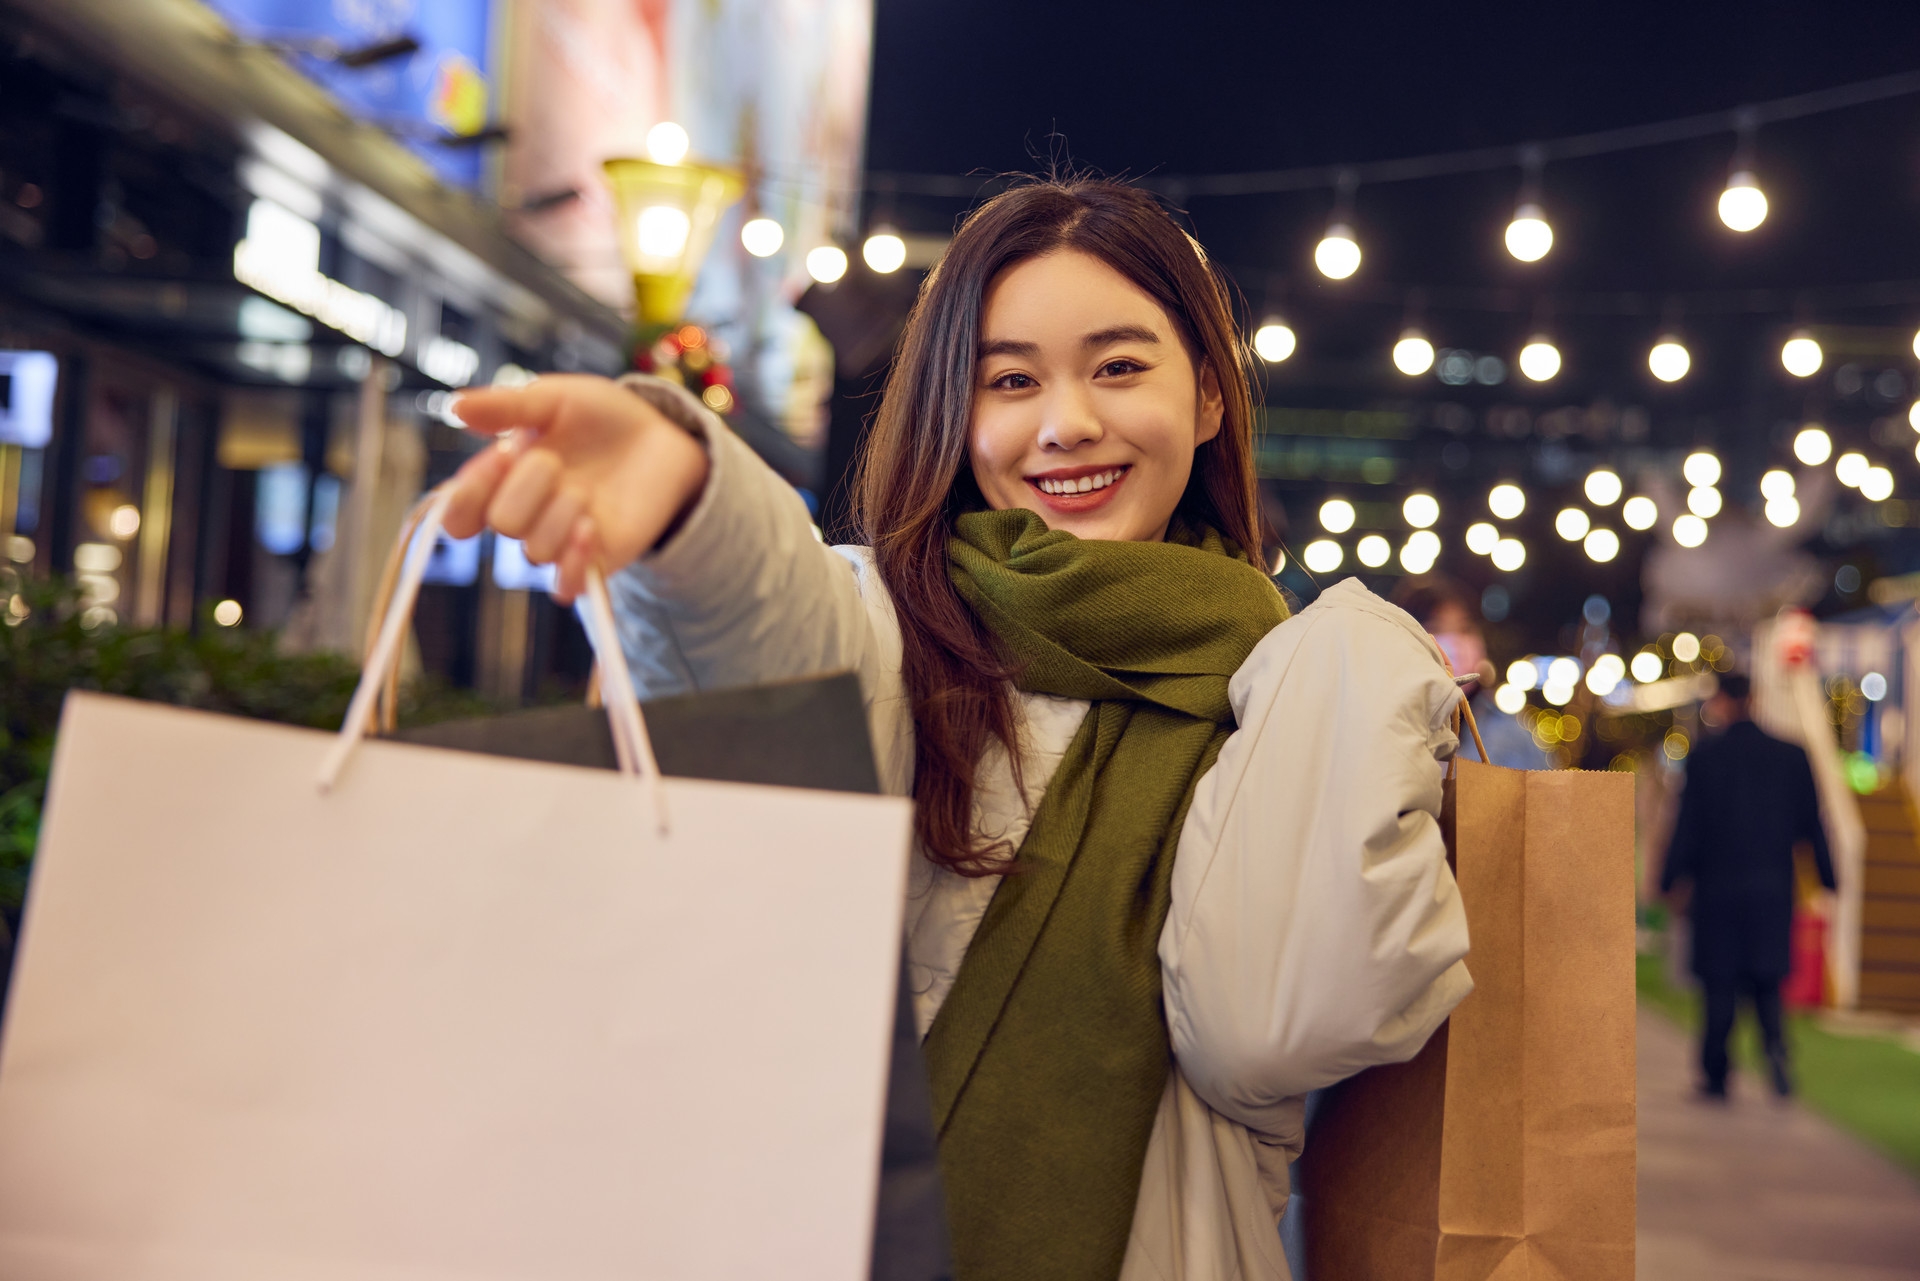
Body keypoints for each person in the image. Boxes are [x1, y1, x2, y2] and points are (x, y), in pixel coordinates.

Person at [444, 179, 1472, 1281]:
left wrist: (1372, 667)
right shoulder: (893, 631)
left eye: (1119, 367)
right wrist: (695, 506)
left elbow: (1276, 1026)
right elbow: (766, 642)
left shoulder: (1289, 694)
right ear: (953, 409)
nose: (1066, 421)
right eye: (1011, 380)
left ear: (1211, 398)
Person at [1660, 674, 1835, 1099]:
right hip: (1771, 889)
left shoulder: (1705, 757)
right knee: (1767, 981)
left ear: (1721, 701)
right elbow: (1812, 823)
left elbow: (1689, 827)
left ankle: (1716, 1074)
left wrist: (1670, 879)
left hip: (1717, 891)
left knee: (1718, 985)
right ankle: (1776, 1053)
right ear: (1753, 699)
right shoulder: (1791, 756)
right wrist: (1830, 877)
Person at [1394, 577, 1553, 770]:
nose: (1456, 644)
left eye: (1464, 629)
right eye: (1435, 629)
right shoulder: (1385, 728)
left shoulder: (1508, 729)